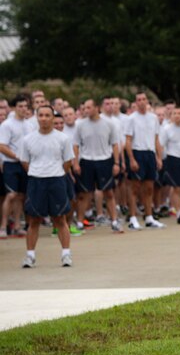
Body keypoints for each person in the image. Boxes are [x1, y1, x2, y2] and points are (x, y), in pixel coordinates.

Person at [18, 105, 75, 267]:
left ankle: (66, 254)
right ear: (37, 117)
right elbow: (24, 161)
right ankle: (30, 256)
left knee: (60, 218)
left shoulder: (62, 138)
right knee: (34, 220)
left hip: (57, 180)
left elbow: (68, 162)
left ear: (52, 117)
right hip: (36, 181)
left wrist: (56, 173)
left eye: (47, 115)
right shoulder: (28, 139)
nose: (43, 118)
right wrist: (37, 172)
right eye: (41, 115)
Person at [72, 98, 123, 233]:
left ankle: (114, 221)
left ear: (96, 108)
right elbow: (76, 145)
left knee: (109, 192)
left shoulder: (109, 124)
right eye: (85, 108)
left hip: (105, 160)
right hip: (87, 161)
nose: (86, 110)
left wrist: (116, 163)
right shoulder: (80, 125)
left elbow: (115, 144)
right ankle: (80, 222)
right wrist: (76, 162)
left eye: (89, 108)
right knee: (84, 194)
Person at [124, 92, 165, 229]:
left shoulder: (153, 118)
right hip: (137, 152)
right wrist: (131, 159)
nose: (141, 102)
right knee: (134, 188)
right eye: (138, 100)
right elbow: (128, 141)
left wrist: (158, 157)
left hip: (150, 154)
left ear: (147, 101)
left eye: (143, 99)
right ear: (135, 102)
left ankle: (149, 217)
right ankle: (133, 218)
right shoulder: (131, 119)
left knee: (149, 188)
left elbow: (156, 139)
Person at [0, 94, 35, 239]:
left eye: (25, 106)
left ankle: (17, 226)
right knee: (11, 194)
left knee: (21, 196)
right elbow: (2, 146)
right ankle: (3, 227)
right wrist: (17, 156)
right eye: (20, 106)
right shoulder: (7, 125)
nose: (23, 109)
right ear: (14, 108)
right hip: (11, 164)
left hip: (25, 164)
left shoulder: (29, 125)